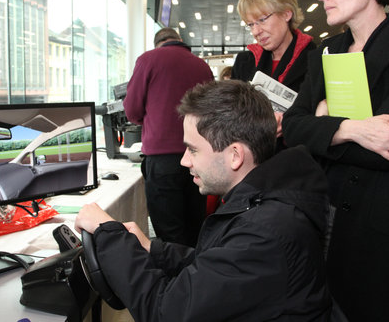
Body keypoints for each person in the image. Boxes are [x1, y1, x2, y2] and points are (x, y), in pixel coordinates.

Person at [75, 80, 332, 322]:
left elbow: (165, 313)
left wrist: (108, 234)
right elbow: (212, 269)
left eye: (193, 149)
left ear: (235, 156)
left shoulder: (265, 231)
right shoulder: (259, 203)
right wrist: (153, 250)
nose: (184, 161)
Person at [282, 0, 389, 321]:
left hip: (383, 222)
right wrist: (352, 128)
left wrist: (323, 124)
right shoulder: (328, 51)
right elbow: (292, 127)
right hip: (326, 210)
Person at [123, 27, 213, 247]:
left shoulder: (148, 60)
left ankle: (174, 278)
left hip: (162, 160)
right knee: (195, 226)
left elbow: (132, 111)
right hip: (199, 156)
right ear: (180, 41)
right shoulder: (202, 66)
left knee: (169, 231)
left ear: (157, 44)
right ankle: (197, 273)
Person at [232, 0, 316, 140]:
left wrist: (292, 123)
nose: (256, 31)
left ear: (286, 13)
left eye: (262, 20)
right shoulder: (245, 61)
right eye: (250, 24)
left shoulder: (314, 59)